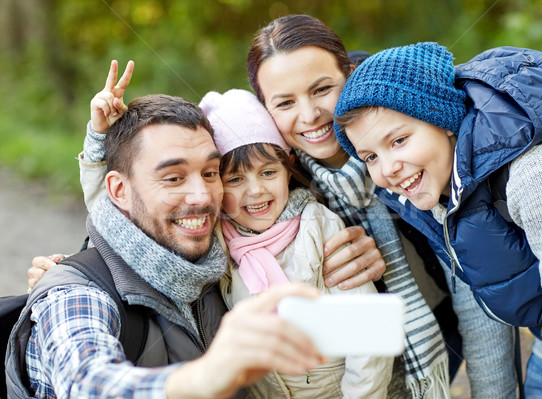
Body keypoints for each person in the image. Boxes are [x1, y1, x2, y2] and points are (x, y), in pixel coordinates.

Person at [246, 14, 518, 398]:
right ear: (265, 112)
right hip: (360, 364)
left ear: (351, 74)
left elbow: (474, 292)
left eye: (322, 89)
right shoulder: (269, 178)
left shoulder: (410, 141)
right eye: (285, 102)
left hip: (439, 328)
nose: (309, 116)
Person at [8, 92, 327, 398]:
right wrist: (205, 376)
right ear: (119, 191)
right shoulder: (76, 295)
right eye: (174, 178)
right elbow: (86, 382)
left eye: (210, 172)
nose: (203, 196)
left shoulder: (226, 259)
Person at [333, 42, 542, 398]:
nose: (388, 169)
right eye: (369, 157)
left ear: (442, 121)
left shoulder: (537, 175)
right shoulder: (436, 197)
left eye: (399, 140)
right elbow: (483, 310)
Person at [199, 88, 394, 398]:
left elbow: (367, 336)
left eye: (267, 172)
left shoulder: (317, 225)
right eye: (235, 179)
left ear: (288, 167)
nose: (255, 190)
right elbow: (136, 220)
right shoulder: (219, 238)